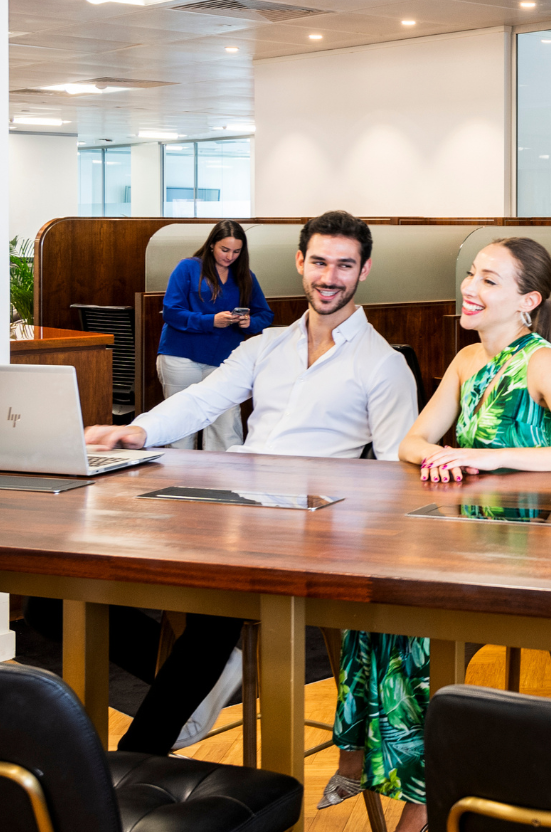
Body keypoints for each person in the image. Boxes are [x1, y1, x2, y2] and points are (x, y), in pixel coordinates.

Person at [83, 210, 419, 757]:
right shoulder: (266, 345)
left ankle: (136, 758)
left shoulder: (382, 365)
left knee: (213, 621)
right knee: (85, 582)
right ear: (299, 263)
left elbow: (393, 472)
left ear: (364, 270)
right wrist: (136, 431)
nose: (328, 277)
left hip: (311, 525)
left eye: (343, 265)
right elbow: (202, 400)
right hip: (235, 504)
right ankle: (207, 672)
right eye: (318, 262)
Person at [320, 238, 551, 832]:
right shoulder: (465, 361)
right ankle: (359, 759)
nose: (470, 288)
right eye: (472, 275)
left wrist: (493, 459)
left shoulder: (540, 362)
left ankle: (421, 804)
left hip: (525, 547)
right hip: (464, 539)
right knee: (367, 606)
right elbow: (411, 443)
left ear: (527, 301)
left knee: (415, 639)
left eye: (489, 281)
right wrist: (443, 453)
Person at [157, 219, 272, 451]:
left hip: (225, 360)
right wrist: (211, 321)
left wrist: (249, 322)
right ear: (212, 245)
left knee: (226, 428)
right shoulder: (188, 268)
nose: (230, 256)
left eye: (236, 251)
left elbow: (264, 315)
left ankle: (226, 484)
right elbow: (171, 312)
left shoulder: (244, 276)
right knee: (180, 425)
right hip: (182, 356)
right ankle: (178, 484)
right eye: (225, 249)